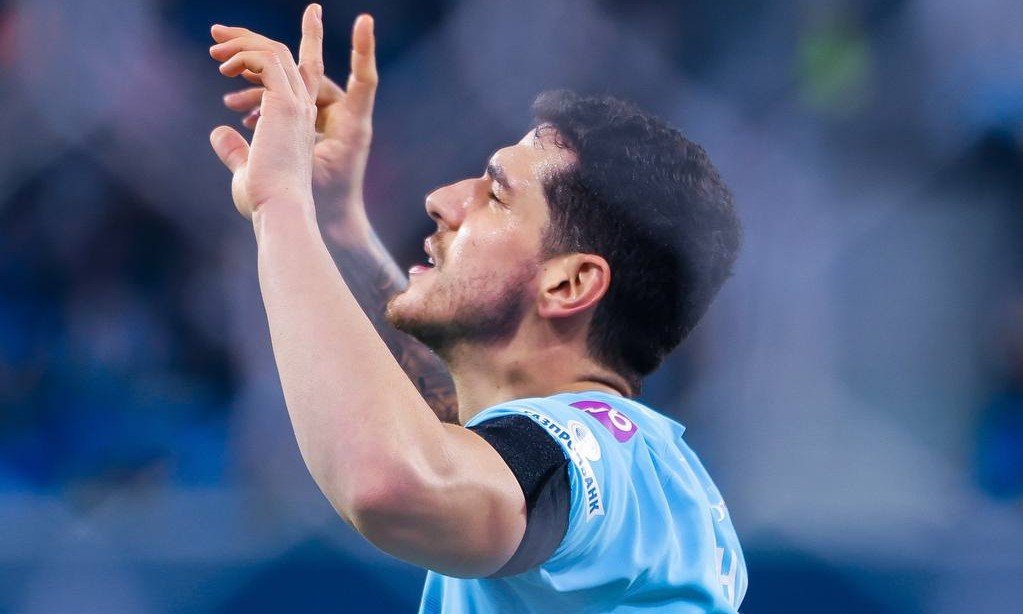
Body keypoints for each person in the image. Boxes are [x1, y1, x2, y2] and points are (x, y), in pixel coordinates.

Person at [208, 5, 746, 612]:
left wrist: (280, 203)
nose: (441, 199)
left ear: (569, 284)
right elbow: (438, 436)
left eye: (496, 195)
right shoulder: (639, 468)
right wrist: (336, 217)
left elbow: (397, 482)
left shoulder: (593, 450)